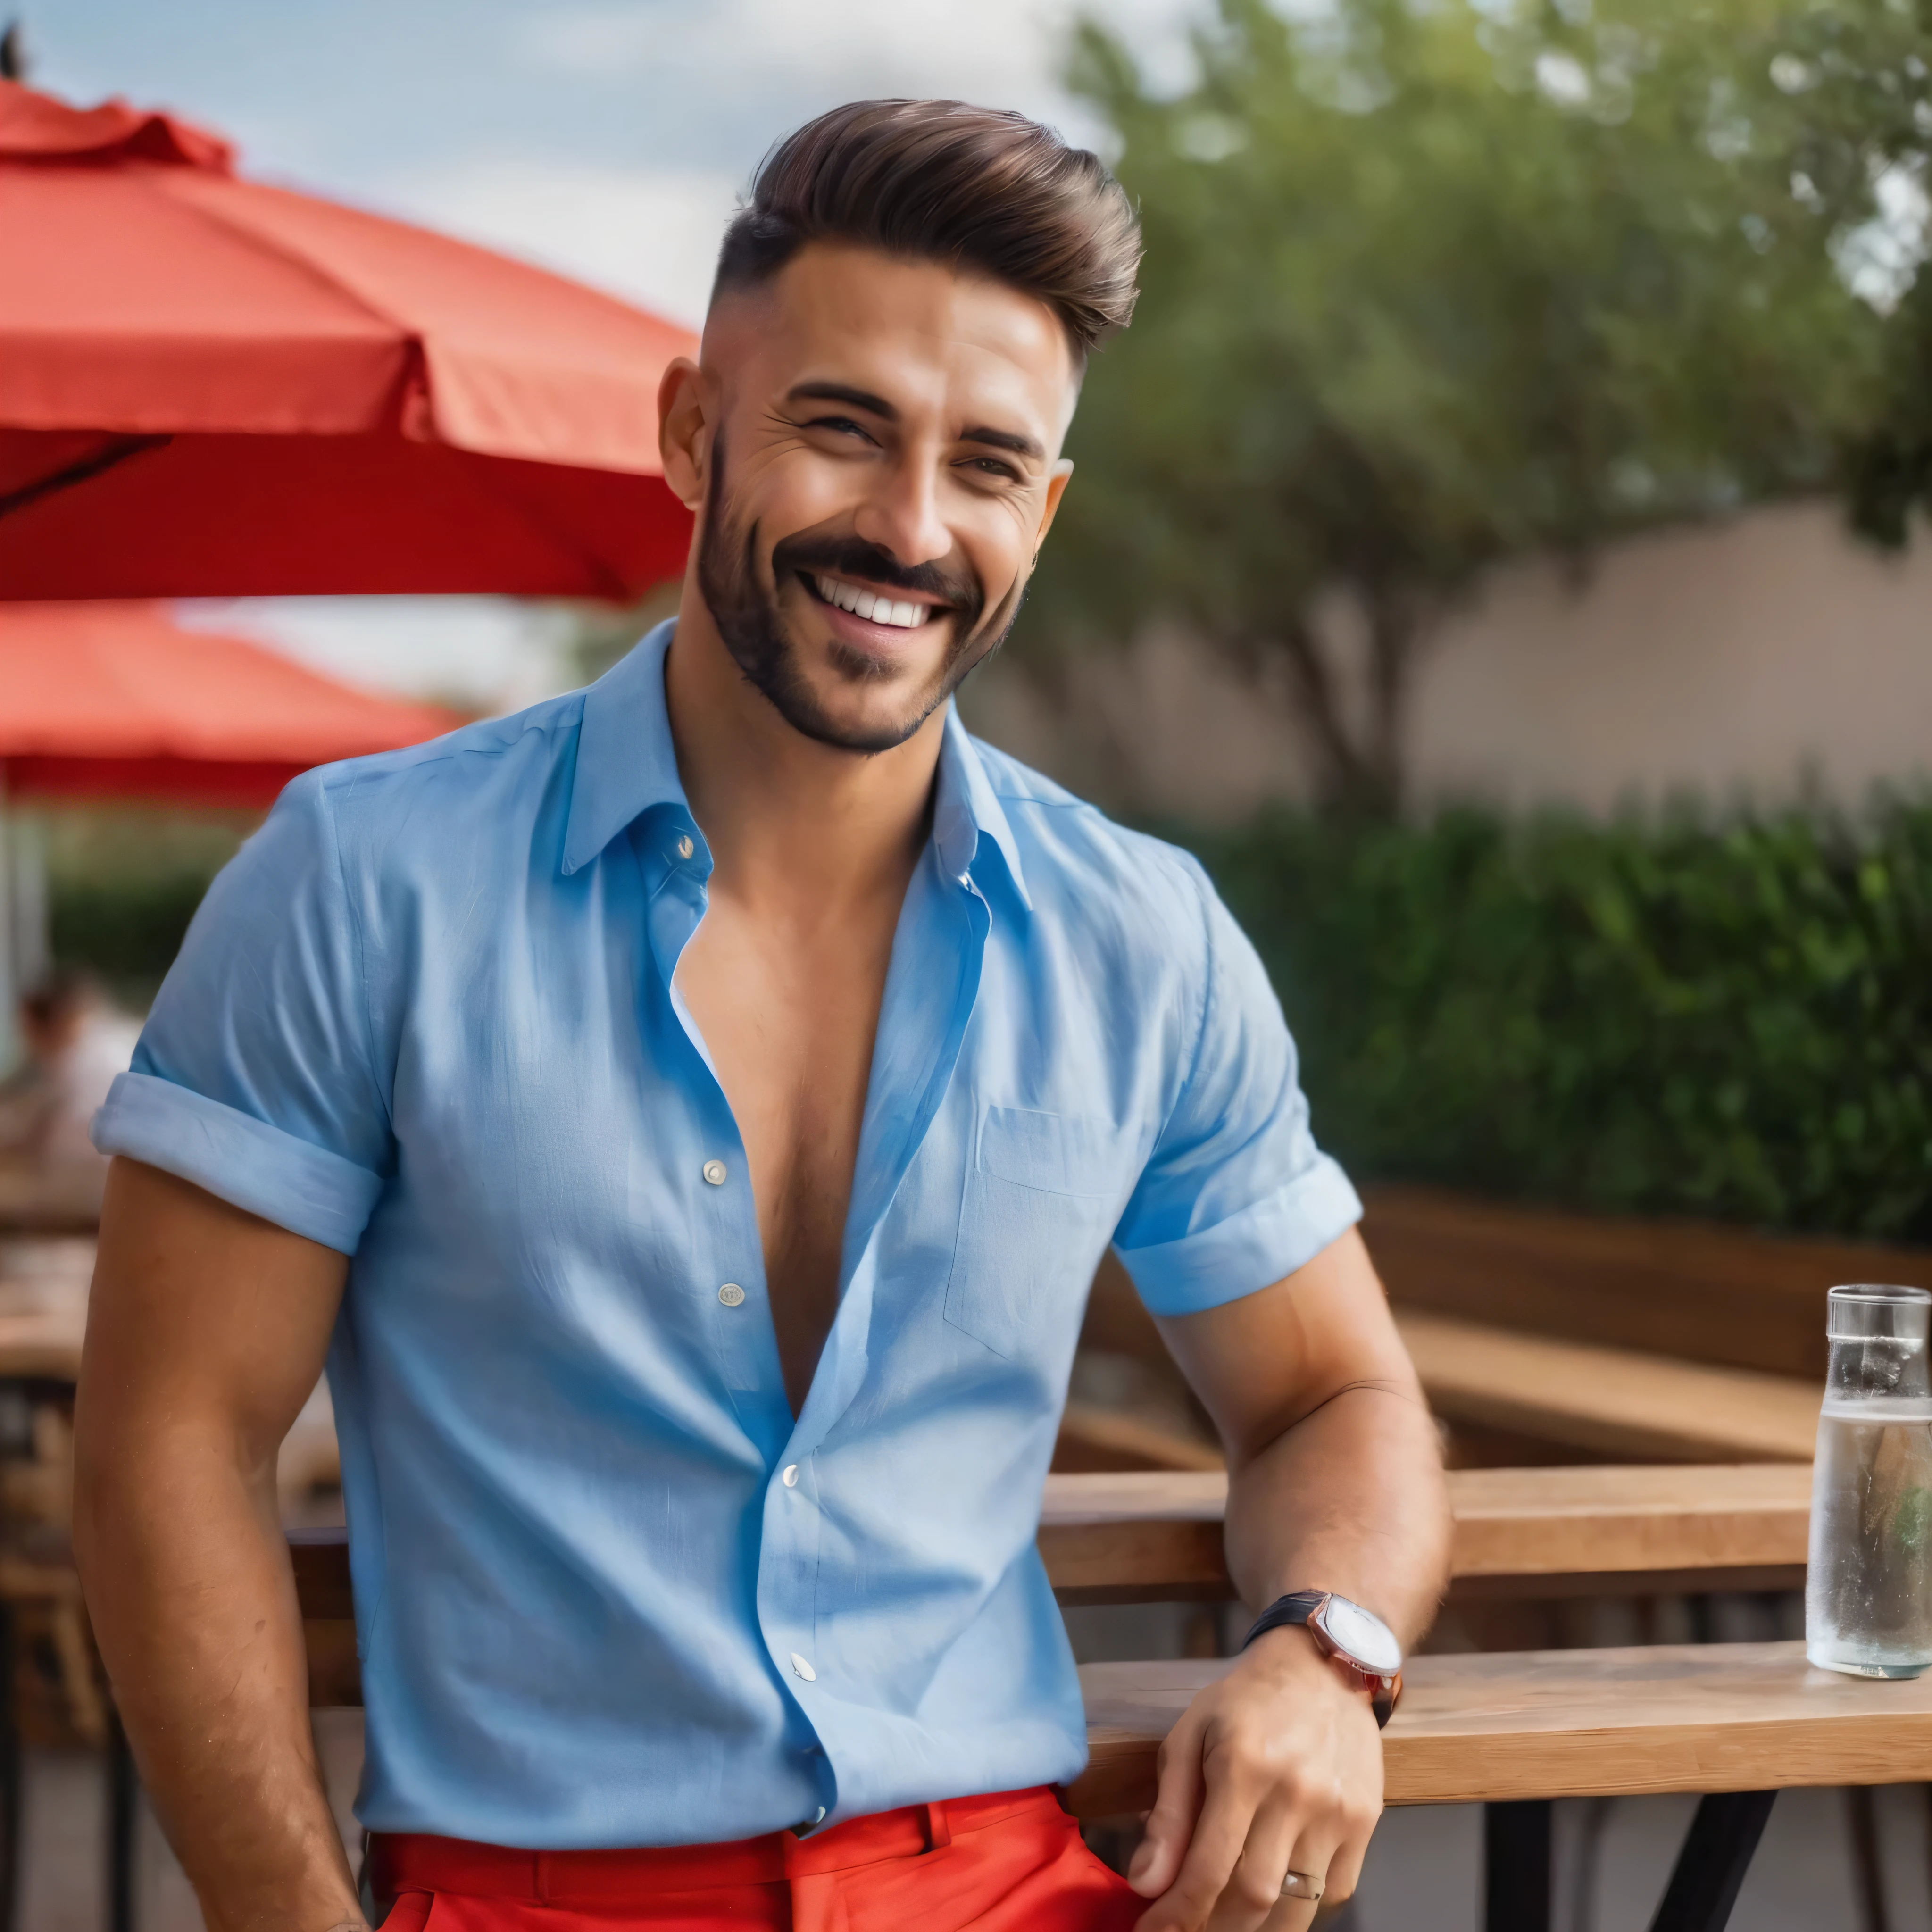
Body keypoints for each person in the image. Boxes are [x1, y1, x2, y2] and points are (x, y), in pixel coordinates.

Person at [72, 100, 1450, 1932]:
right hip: (533, 1894)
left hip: (1014, 1884)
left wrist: (1322, 1650)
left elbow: (1335, 1395)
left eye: (985, 465)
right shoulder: (359, 880)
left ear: (1040, 515)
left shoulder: (1144, 939)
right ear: (690, 430)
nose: (907, 525)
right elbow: (171, 1437)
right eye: (840, 426)